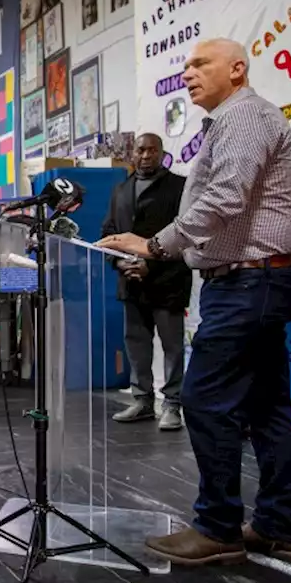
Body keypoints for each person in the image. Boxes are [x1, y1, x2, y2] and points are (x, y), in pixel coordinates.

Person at [99, 38, 291, 567]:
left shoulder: (243, 117)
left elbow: (226, 197)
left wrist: (155, 245)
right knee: (266, 407)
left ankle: (218, 529)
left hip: (247, 284)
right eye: (185, 65)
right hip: (255, 280)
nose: (187, 73)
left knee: (207, 401)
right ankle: (281, 528)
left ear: (236, 70)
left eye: (199, 64)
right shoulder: (234, 120)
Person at [100, 133, 191, 432]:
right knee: (136, 346)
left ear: (162, 153)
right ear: (133, 154)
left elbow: (186, 235)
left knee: (172, 347)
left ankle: (173, 405)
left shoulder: (180, 187)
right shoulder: (120, 191)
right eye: (141, 150)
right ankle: (141, 401)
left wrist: (149, 265)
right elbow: (109, 233)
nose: (146, 155)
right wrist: (120, 262)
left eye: (153, 150)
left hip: (168, 282)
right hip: (131, 285)